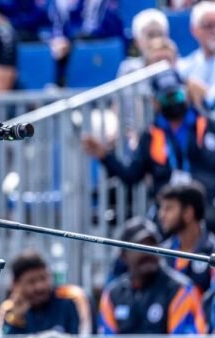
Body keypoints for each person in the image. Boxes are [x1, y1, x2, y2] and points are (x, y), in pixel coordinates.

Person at [82, 69, 215, 230]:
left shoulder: (209, 126)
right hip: (167, 210)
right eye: (166, 98)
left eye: (177, 95)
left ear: (186, 94)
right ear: (155, 101)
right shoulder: (150, 136)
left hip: (207, 204)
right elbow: (131, 175)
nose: (173, 102)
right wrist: (105, 155)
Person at [99, 217, 207, 335]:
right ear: (123, 255)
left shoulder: (181, 290)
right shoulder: (112, 295)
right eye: (139, 246)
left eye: (152, 244)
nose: (148, 252)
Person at [0, 250, 92, 337]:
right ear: (15, 284)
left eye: (43, 278)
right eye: (31, 281)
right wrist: (16, 320)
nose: (40, 286)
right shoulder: (8, 310)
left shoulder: (70, 300)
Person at [156, 181, 215, 294]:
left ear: (188, 212)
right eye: (161, 208)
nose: (161, 215)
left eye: (168, 208)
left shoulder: (213, 250)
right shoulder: (161, 254)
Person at [177, 1, 215, 113]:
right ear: (194, 30)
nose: (213, 31)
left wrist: (205, 93)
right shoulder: (185, 67)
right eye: (208, 26)